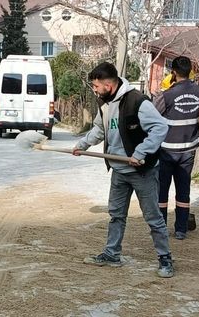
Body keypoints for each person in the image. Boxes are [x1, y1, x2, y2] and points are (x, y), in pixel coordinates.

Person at [73, 62, 175, 278]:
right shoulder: (105, 105)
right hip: (119, 170)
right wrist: (82, 145)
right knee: (116, 215)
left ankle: (165, 258)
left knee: (153, 217)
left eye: (96, 86)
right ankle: (112, 254)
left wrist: (141, 152)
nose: (95, 90)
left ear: (108, 84)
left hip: (142, 171)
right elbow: (100, 129)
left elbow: (161, 127)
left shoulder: (138, 101)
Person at [153, 56, 199, 241]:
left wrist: (164, 91)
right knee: (183, 190)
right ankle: (181, 230)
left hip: (167, 150)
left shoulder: (168, 95)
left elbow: (155, 112)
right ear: (190, 71)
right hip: (188, 150)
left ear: (173, 72)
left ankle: (160, 228)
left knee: (162, 191)